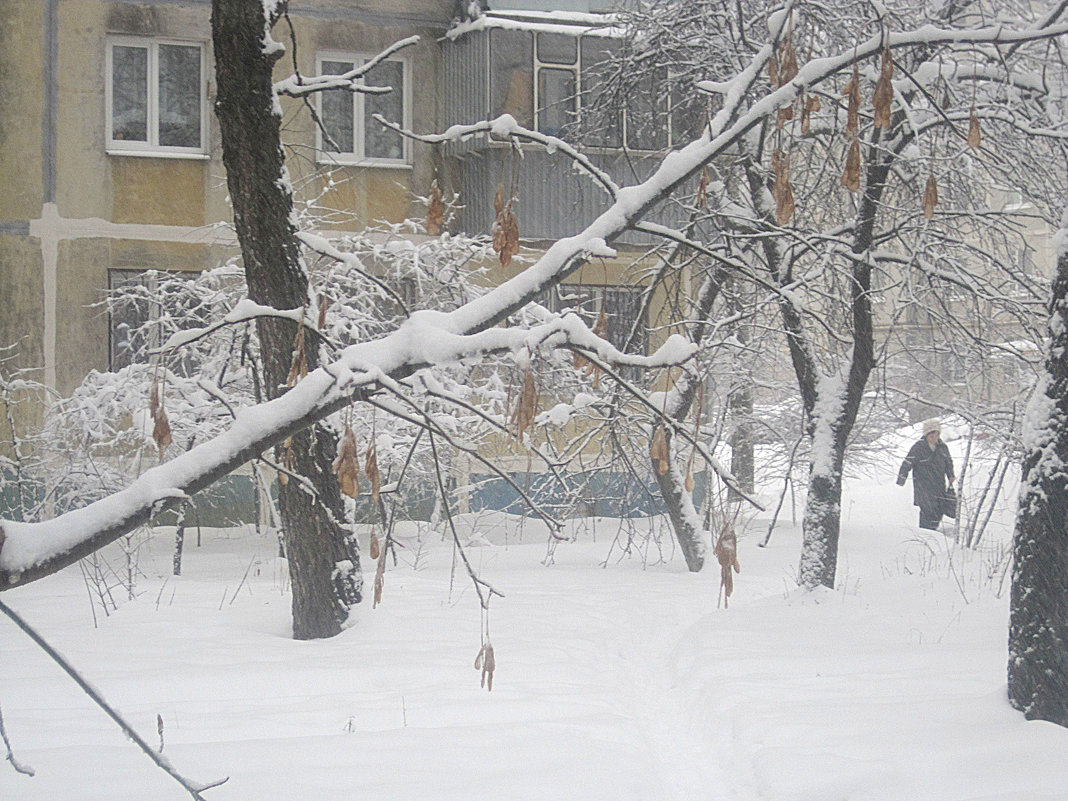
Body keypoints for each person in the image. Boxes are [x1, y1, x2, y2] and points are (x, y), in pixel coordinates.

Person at [896, 418, 955, 530]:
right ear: (926, 435)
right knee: (927, 510)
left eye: (936, 436)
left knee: (939, 508)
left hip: (938, 484)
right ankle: (925, 531)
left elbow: (948, 462)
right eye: (931, 436)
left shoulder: (942, 447)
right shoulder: (919, 447)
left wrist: (951, 475)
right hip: (923, 486)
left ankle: (934, 529)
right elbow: (908, 463)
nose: (934, 439)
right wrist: (901, 478)